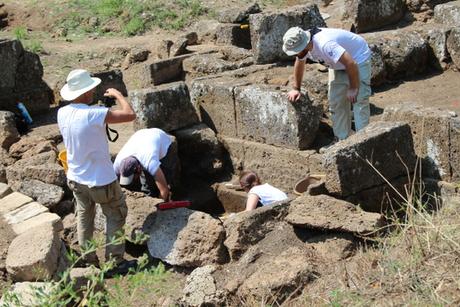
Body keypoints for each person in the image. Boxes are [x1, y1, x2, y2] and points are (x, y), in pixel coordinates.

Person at [57, 69, 136, 270]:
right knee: (116, 214)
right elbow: (130, 115)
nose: (93, 91)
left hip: (76, 178)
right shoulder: (94, 114)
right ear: (85, 92)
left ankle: (88, 260)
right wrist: (118, 95)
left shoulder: (62, 113)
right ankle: (114, 262)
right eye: (91, 88)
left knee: (84, 218)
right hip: (101, 180)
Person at [282, 26, 372, 141]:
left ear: (304, 45)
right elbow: (299, 62)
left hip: (357, 58)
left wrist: (353, 88)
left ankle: (363, 141)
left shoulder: (325, 44)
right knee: (336, 102)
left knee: (359, 101)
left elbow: (350, 63)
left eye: (295, 51)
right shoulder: (304, 48)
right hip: (336, 63)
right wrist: (296, 88)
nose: (294, 54)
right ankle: (342, 140)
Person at [113, 128, 177, 201]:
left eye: (133, 177)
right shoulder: (118, 163)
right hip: (141, 136)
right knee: (147, 187)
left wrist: (160, 204)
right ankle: (149, 197)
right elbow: (113, 186)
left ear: (139, 169)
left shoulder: (150, 161)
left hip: (160, 137)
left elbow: (164, 190)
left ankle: (173, 196)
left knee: (166, 180)